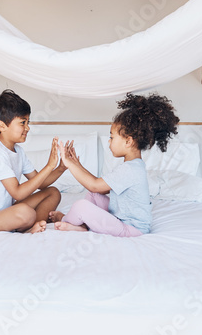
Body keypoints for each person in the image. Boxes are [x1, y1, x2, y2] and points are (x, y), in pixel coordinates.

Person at [54, 93, 179, 237]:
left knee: (80, 206)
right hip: (120, 217)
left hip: (130, 229)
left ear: (128, 141)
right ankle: (82, 226)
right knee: (94, 195)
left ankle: (65, 220)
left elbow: (94, 184)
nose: (109, 142)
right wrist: (77, 164)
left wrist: (69, 164)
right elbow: (99, 188)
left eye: (112, 137)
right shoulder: (133, 165)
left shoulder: (130, 170)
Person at [0, 89, 64, 233]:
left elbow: (40, 183)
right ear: (2, 126)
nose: (28, 128)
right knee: (25, 212)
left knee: (53, 193)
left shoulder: (18, 151)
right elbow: (17, 193)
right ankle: (28, 227)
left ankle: (33, 225)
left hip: (5, 211)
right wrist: (49, 166)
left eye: (28, 122)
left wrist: (60, 168)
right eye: (23, 123)